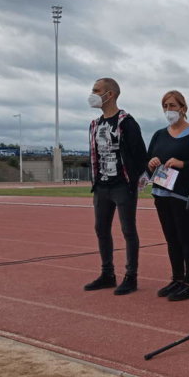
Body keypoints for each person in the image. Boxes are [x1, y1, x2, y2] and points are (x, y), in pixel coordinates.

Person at [84, 77, 148, 296]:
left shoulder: (127, 123)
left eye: (96, 90)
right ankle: (107, 273)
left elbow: (141, 155)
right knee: (101, 229)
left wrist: (133, 181)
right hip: (101, 186)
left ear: (109, 94)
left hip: (122, 186)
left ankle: (131, 276)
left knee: (128, 230)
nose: (92, 93)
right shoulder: (95, 124)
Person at [147, 90, 189, 302]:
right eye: (165, 106)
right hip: (161, 192)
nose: (169, 110)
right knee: (171, 238)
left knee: (186, 237)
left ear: (183, 108)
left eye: (172, 105)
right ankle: (177, 278)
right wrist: (151, 163)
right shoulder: (159, 134)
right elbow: (149, 158)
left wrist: (183, 164)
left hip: (183, 195)